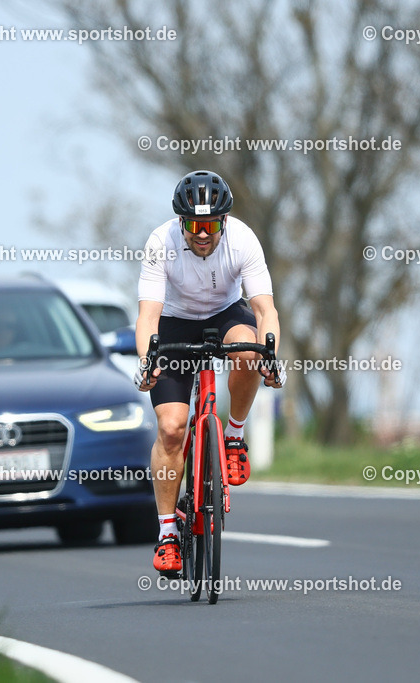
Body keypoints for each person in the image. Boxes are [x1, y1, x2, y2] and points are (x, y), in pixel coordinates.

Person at [134, 170, 286, 575]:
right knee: (171, 428)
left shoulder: (243, 239)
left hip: (225, 316)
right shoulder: (160, 242)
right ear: (181, 223)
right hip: (175, 322)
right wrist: (148, 361)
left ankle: (234, 437)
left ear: (223, 222)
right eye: (194, 226)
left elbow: (264, 309)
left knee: (249, 351)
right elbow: (148, 315)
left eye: (211, 225)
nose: (203, 234)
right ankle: (168, 532)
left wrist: (271, 354)